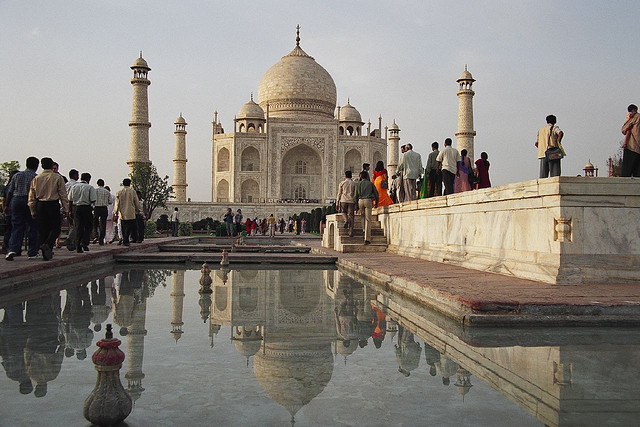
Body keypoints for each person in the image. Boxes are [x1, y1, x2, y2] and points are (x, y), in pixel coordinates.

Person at [28, 157, 68, 261]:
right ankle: (48, 245)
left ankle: (46, 251)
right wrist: (66, 208)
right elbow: (63, 194)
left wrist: (32, 210)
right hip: (53, 204)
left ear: (41, 166)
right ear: (51, 166)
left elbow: (31, 196)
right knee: (55, 228)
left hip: (40, 204)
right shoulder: (57, 178)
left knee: (43, 229)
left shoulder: (37, 178)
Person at [5, 157, 40, 261]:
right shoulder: (36, 177)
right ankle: (32, 252)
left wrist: (7, 205)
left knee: (17, 226)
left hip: (16, 200)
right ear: (36, 166)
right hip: (30, 201)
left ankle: (12, 249)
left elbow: (10, 191)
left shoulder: (17, 175)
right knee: (33, 227)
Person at [68, 173, 96, 253]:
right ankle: (84, 242)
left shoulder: (74, 187)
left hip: (76, 207)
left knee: (78, 226)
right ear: (88, 179)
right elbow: (93, 199)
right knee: (88, 226)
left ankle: (78, 245)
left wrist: (70, 211)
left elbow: (70, 200)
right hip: (86, 208)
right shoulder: (90, 187)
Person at [113, 178, 142, 246]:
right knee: (130, 226)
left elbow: (117, 203)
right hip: (131, 212)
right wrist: (138, 210)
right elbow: (136, 202)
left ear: (123, 184)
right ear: (130, 183)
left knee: (123, 227)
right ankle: (128, 239)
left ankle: (125, 239)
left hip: (122, 212)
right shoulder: (133, 192)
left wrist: (115, 212)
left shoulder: (119, 192)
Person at [354, 171, 378, 245]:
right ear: (367, 176)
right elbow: (376, 194)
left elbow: (356, 195)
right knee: (368, 219)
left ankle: (364, 229)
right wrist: (376, 203)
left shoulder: (358, 184)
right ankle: (367, 239)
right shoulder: (370, 184)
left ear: (361, 176)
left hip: (360, 201)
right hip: (368, 200)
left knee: (362, 216)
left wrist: (356, 205)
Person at [2, 169, 20, 254]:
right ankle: (15, 248)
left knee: (9, 229)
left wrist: (4, 208)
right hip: (14, 210)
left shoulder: (7, 187)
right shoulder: (17, 186)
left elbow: (3, 199)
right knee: (16, 229)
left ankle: (6, 246)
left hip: (9, 210)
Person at [621, 104, 640, 177]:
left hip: (632, 147)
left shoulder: (635, 117)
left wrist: (625, 143)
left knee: (627, 171)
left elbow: (625, 129)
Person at [336, 170, 356, 236]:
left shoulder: (342, 183)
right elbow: (355, 193)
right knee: (351, 216)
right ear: (351, 176)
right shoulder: (354, 183)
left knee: (343, 212)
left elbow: (339, 193)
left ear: (345, 176)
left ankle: (346, 220)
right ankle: (351, 232)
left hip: (343, 200)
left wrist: (337, 202)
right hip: (351, 201)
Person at [93, 179, 111, 245]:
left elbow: (92, 199)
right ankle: (101, 239)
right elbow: (110, 201)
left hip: (97, 208)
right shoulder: (107, 192)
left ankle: (96, 234)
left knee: (95, 222)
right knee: (103, 224)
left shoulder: (94, 191)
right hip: (104, 208)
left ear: (97, 184)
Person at [65, 169, 79, 251]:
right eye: (77, 175)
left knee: (71, 225)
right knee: (75, 225)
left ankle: (72, 242)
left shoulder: (66, 184)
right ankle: (70, 240)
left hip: (66, 205)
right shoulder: (76, 185)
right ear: (74, 175)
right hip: (74, 205)